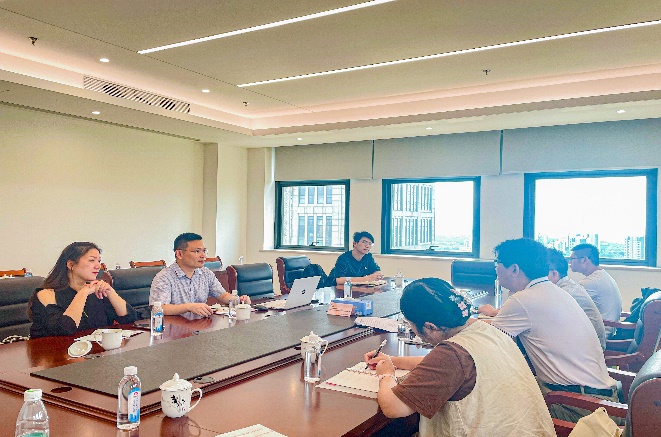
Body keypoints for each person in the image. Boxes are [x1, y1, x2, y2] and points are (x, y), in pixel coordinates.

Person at [364, 278, 554, 437]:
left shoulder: (452, 355)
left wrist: (386, 375)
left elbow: (394, 408)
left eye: (411, 325)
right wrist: (393, 361)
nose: (413, 331)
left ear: (430, 327)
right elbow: (444, 368)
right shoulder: (486, 330)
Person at [479, 238, 618, 423]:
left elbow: (486, 342)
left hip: (578, 408)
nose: (495, 269)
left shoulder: (525, 299)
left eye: (497, 263)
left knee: (488, 408)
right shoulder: (553, 291)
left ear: (514, 269)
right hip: (599, 400)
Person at [28, 242, 137, 339]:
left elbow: (129, 319)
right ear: (71, 265)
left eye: (99, 261)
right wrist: (83, 293)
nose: (98, 266)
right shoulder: (46, 294)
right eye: (92, 260)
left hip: (94, 351)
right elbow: (65, 329)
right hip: (55, 352)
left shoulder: (96, 290)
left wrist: (110, 291)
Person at [149, 233, 249, 317]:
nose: (203, 256)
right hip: (175, 329)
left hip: (200, 326)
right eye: (197, 251)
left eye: (204, 251)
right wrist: (189, 307)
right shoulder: (164, 277)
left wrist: (239, 300)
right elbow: (158, 308)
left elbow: (223, 295)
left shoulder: (206, 273)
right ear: (179, 254)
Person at [547, 248, 607, 349]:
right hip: (592, 344)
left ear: (554, 274)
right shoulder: (568, 285)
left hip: (588, 350)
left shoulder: (564, 293)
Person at [570, 243, 622, 337]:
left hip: (600, 334)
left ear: (585, 260)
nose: (570, 263)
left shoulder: (592, 282)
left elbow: (569, 304)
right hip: (607, 329)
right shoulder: (601, 275)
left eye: (572, 259)